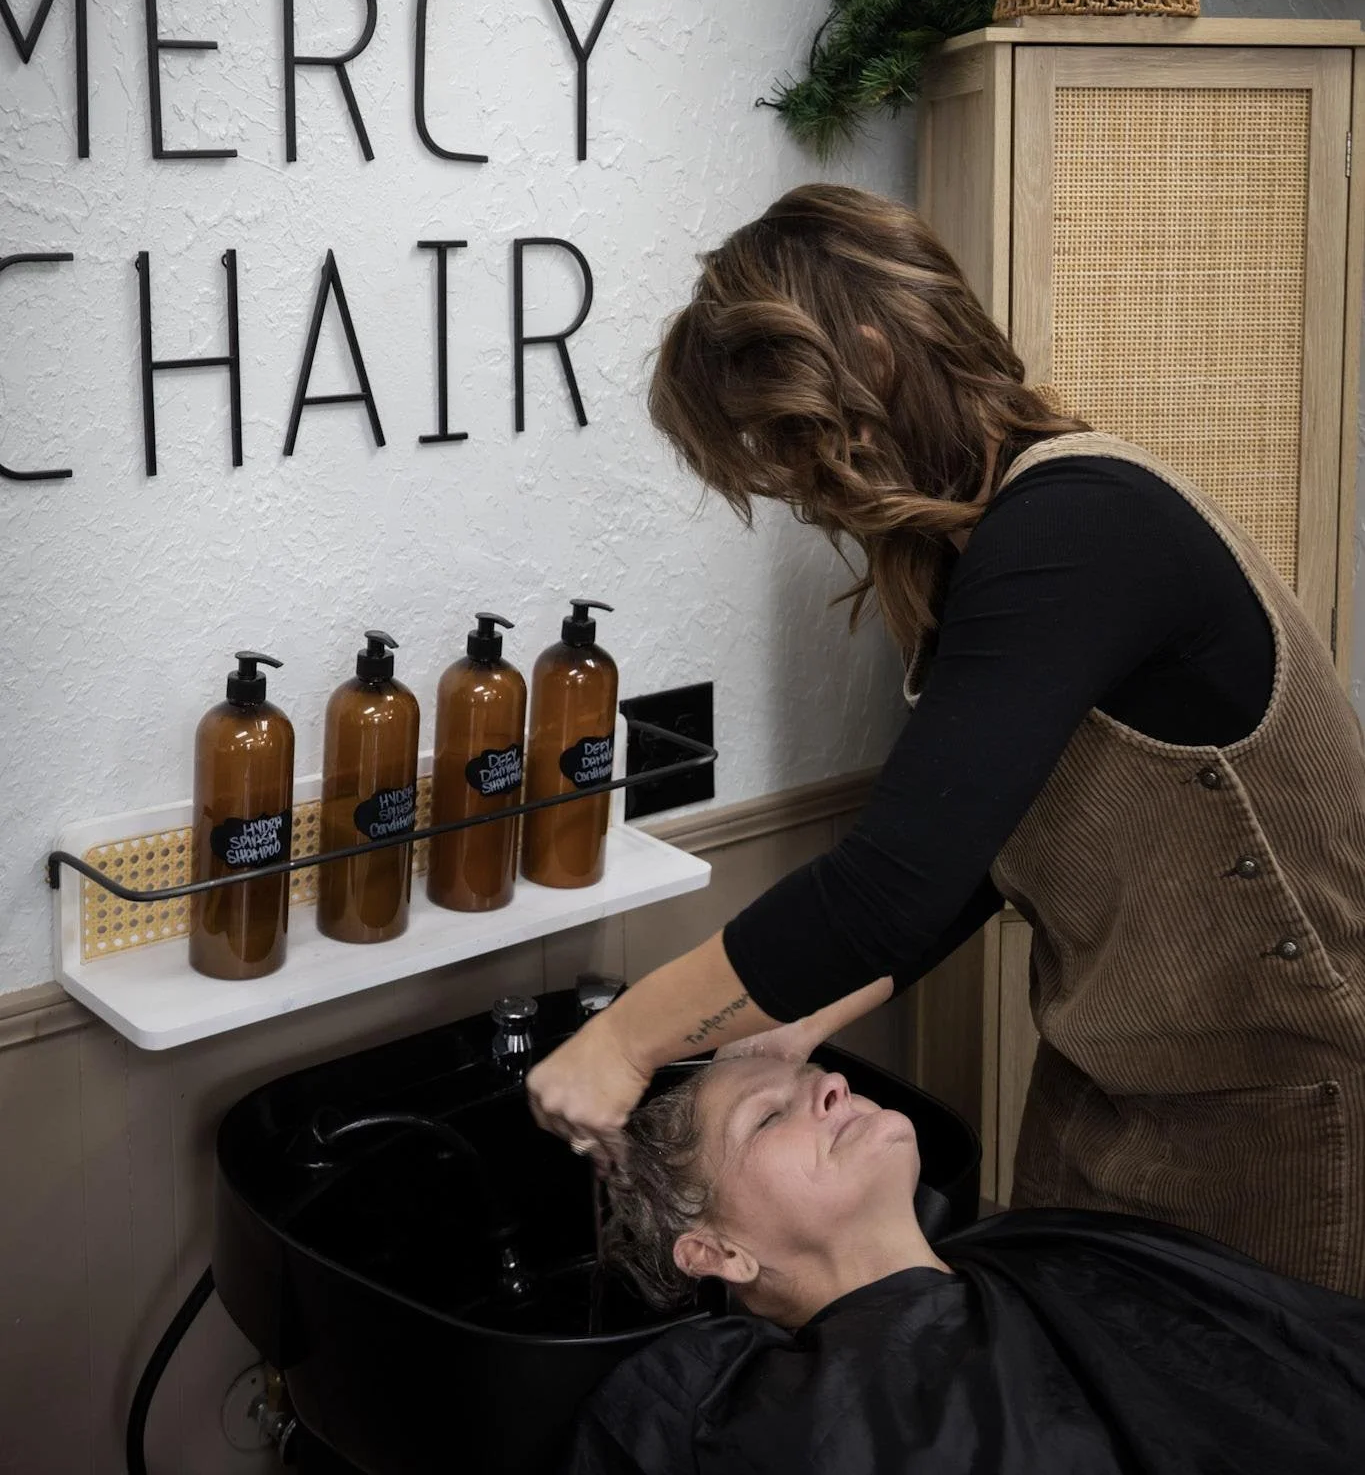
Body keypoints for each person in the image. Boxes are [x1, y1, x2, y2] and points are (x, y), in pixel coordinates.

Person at [528, 184, 1365, 1296]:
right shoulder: (981, 556)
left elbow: (891, 886)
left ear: (871, 354)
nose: (799, 489)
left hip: (1289, 1104)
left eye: (791, 442)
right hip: (1107, 1082)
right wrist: (793, 1024)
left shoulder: (1076, 528)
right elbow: (973, 855)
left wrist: (627, 1037)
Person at [565, 1054, 1365, 1475]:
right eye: (769, 1113)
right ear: (717, 1252)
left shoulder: (1062, 1250)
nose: (836, 1085)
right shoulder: (749, 1419)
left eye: (820, 1078)